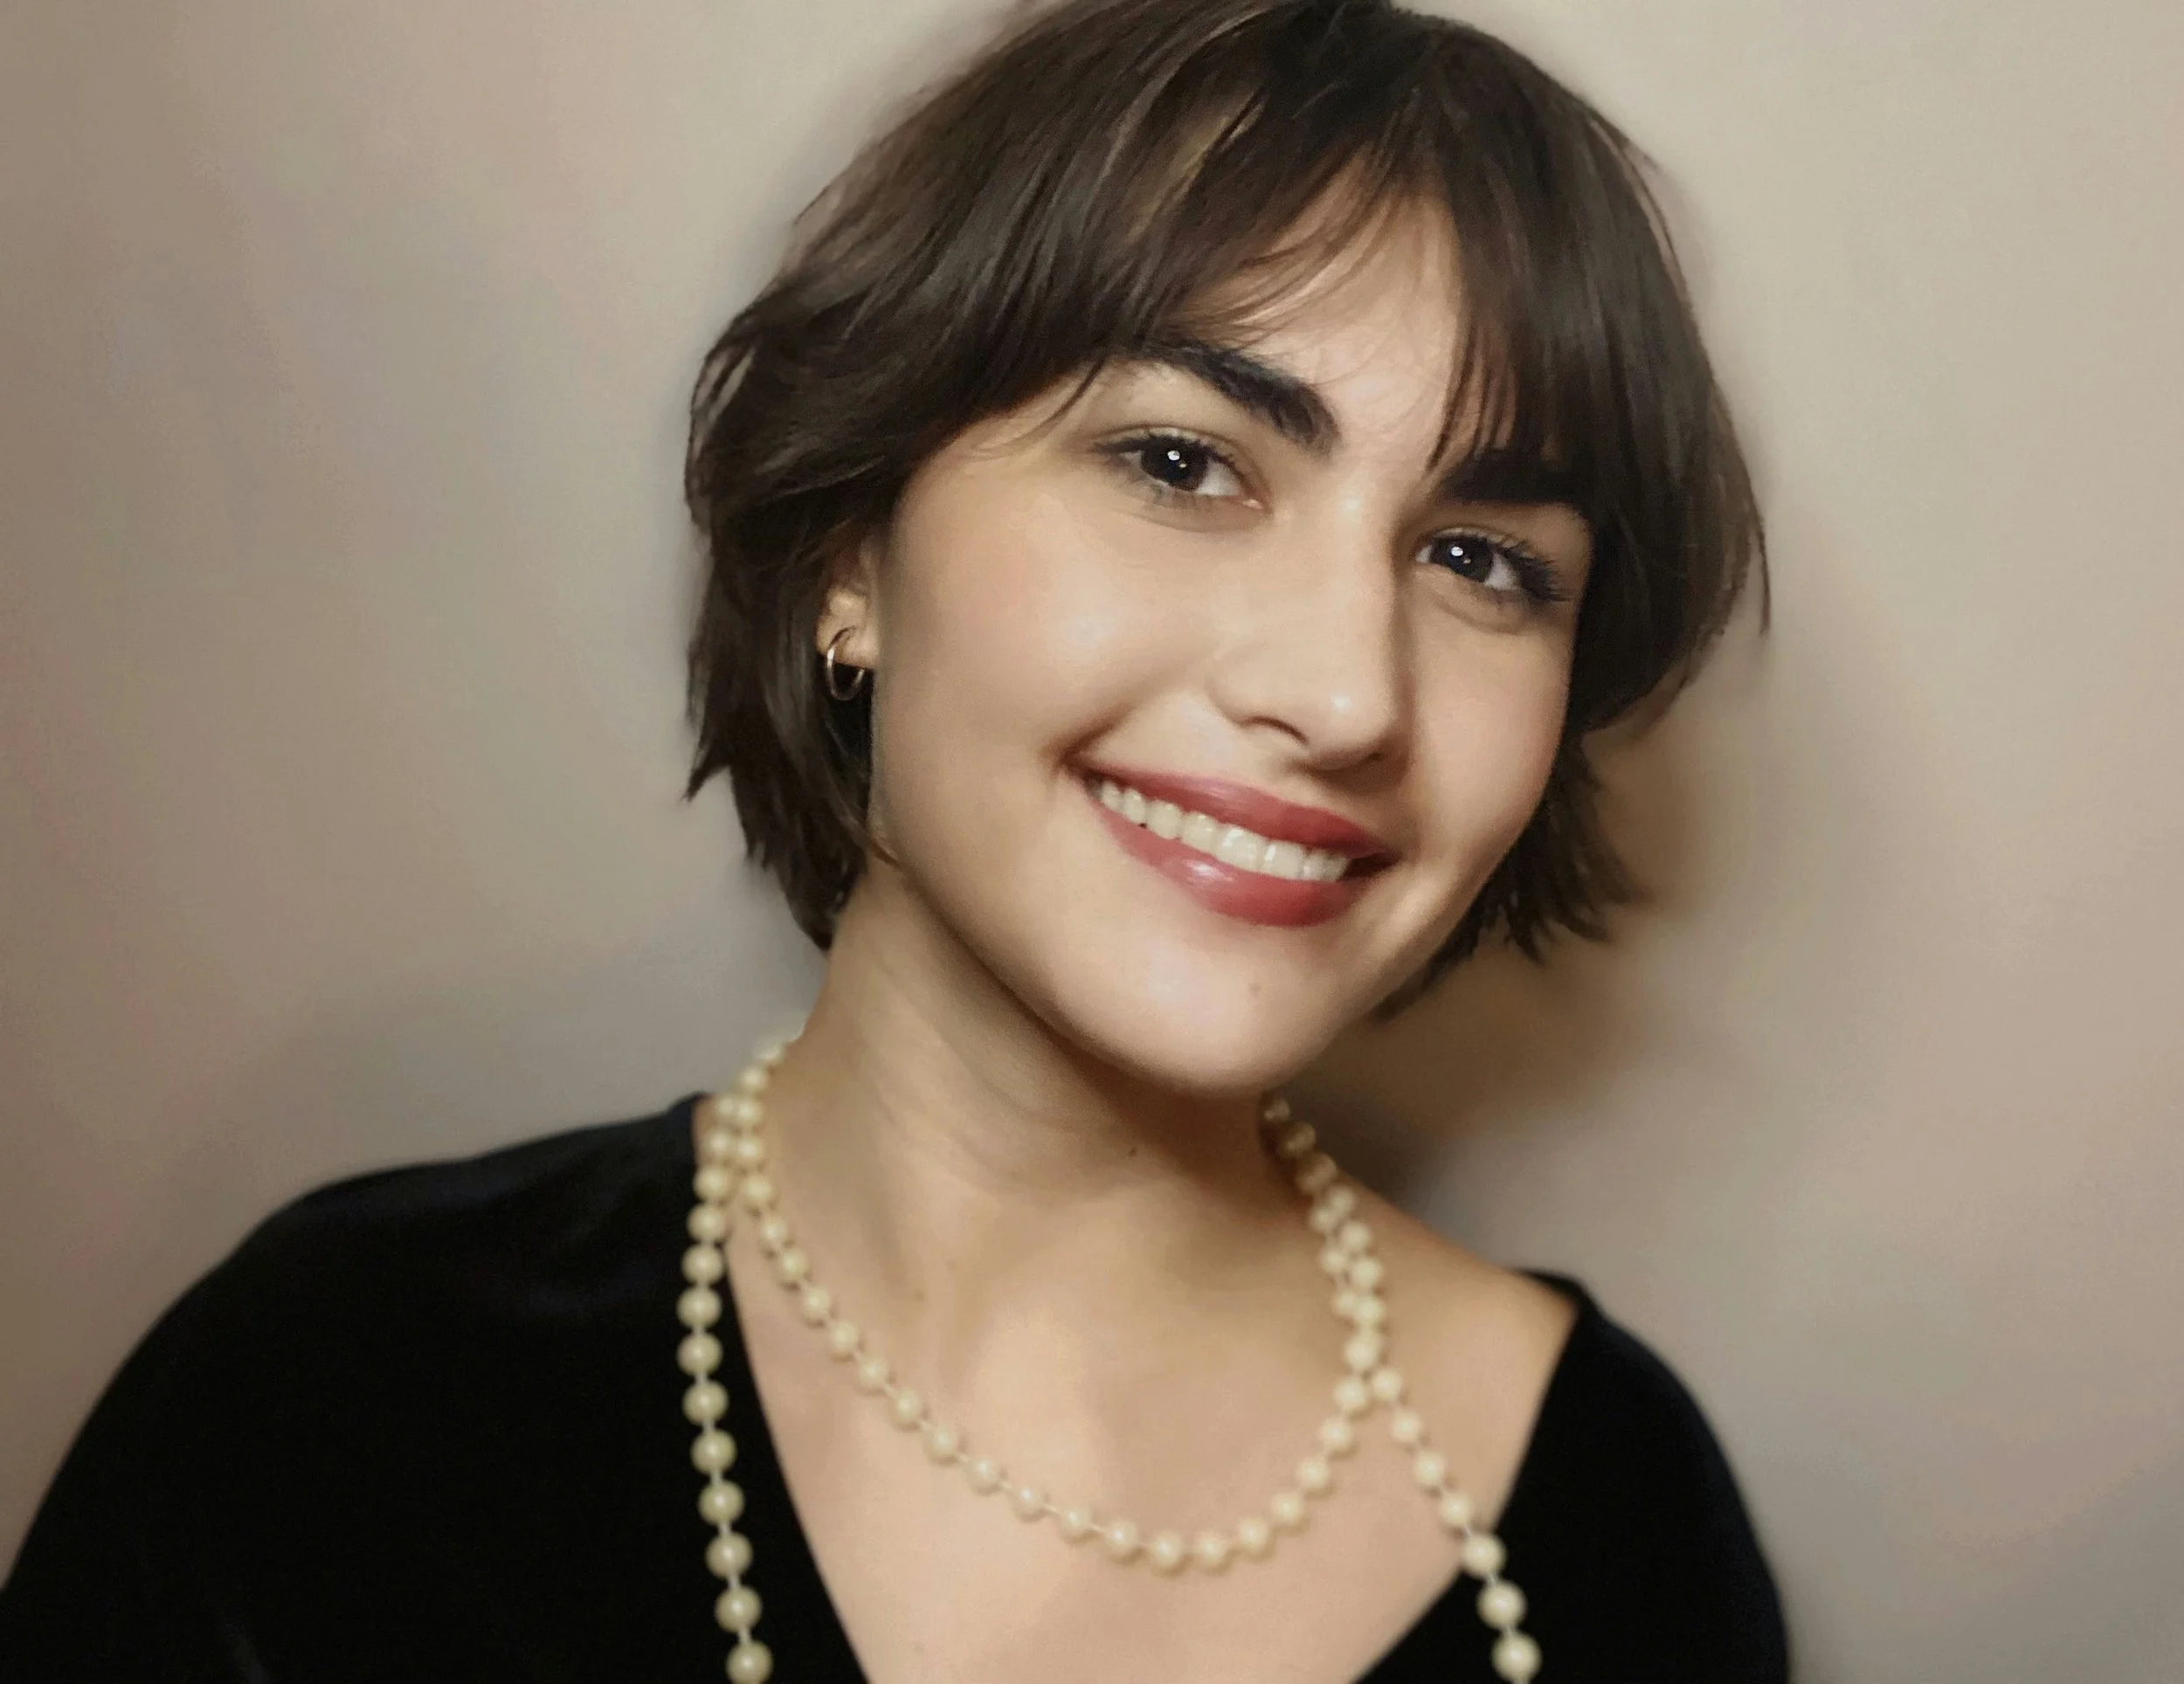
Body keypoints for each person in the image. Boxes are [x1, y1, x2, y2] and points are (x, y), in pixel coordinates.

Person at [0, 0, 1788, 1678]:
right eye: (1181, 464)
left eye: (1481, 560)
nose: (1343, 696)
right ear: (854, 548)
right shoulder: (340, 1397)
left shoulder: (1609, 1519)